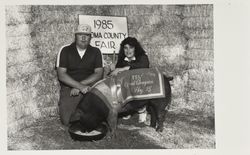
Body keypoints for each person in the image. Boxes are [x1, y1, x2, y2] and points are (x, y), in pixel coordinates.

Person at [56, 24, 103, 126]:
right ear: (75, 36)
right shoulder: (65, 50)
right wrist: (79, 86)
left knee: (96, 118)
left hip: (90, 85)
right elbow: (61, 75)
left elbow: (99, 73)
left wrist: (80, 86)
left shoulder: (96, 51)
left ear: (90, 37)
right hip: (69, 87)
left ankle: (88, 113)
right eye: (80, 34)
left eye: (86, 35)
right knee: (66, 120)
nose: (83, 37)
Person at [109, 37, 149, 123]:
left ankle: (141, 109)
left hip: (140, 86)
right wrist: (114, 69)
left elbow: (143, 66)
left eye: (131, 47)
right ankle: (127, 109)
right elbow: (117, 73)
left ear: (135, 48)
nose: (128, 51)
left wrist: (122, 69)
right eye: (125, 48)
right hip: (127, 88)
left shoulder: (143, 57)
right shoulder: (122, 59)